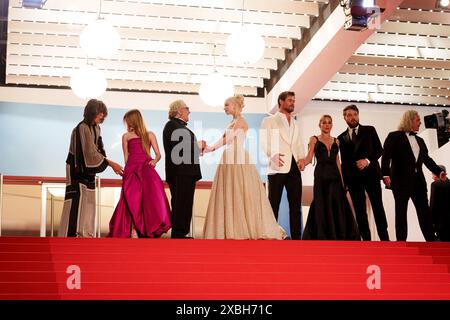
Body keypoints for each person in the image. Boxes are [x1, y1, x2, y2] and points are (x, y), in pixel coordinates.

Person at [202, 95, 286, 240]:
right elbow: (223, 138)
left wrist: (210, 149)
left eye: (226, 105)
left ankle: (241, 228)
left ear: (234, 106)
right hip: (230, 156)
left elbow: (227, 139)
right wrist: (208, 148)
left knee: (240, 191)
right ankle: (231, 227)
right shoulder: (233, 121)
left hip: (237, 157)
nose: (224, 107)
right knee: (231, 191)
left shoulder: (241, 121)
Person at [59, 99, 123, 237]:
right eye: (100, 113)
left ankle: (86, 232)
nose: (102, 116)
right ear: (92, 112)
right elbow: (88, 153)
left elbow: (97, 150)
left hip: (88, 169)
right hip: (77, 167)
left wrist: (107, 162)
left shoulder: (96, 128)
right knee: (77, 199)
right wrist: (110, 164)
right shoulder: (81, 128)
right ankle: (73, 233)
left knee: (89, 200)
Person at [381, 110, 447, 241]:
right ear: (410, 120)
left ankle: (431, 240)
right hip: (400, 182)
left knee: (424, 212)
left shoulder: (420, 140)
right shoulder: (394, 136)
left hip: (418, 182)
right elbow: (386, 156)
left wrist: (439, 171)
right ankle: (401, 242)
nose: (420, 123)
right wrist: (385, 175)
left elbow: (426, 159)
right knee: (401, 212)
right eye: (418, 120)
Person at [109, 109, 171, 238]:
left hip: (146, 169)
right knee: (131, 198)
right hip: (132, 170)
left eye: (128, 121)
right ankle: (133, 229)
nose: (127, 124)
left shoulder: (149, 134)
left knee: (150, 199)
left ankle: (145, 229)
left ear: (133, 120)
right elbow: (126, 157)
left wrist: (154, 161)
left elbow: (158, 154)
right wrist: (126, 171)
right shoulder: (126, 136)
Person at [301, 115, 360, 240]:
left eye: (329, 123)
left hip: (335, 177)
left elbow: (338, 162)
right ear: (320, 125)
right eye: (324, 123)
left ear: (332, 125)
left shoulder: (336, 141)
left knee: (336, 204)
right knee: (321, 203)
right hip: (321, 175)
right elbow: (309, 158)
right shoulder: (314, 139)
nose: (327, 125)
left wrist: (343, 182)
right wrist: (301, 163)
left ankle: (338, 235)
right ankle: (322, 234)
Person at [337, 105, 389, 241]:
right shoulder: (340, 138)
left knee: (378, 207)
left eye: (354, 114)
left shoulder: (369, 130)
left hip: (371, 175)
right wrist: (345, 183)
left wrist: (367, 160)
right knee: (360, 211)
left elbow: (379, 150)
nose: (352, 117)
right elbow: (344, 162)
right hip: (353, 180)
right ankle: (366, 240)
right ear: (344, 118)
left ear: (358, 115)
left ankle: (385, 238)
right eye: (349, 115)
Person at [260, 91, 305, 240]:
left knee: (296, 206)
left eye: (294, 100)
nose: (293, 103)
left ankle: (297, 238)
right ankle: (272, 235)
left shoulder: (296, 123)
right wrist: (271, 155)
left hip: (294, 167)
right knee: (273, 204)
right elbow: (264, 141)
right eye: (290, 100)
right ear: (281, 101)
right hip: (277, 165)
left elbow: (298, 143)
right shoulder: (269, 120)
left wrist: (301, 158)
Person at [163, 100, 205, 239]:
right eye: (187, 108)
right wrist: (197, 145)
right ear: (179, 111)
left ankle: (181, 232)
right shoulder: (171, 125)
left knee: (185, 203)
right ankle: (179, 233)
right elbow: (179, 147)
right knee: (181, 202)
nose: (189, 111)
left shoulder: (177, 126)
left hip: (185, 172)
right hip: (180, 172)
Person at [430, 165, 450, 241]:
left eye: (433, 174)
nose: (432, 177)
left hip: (440, 222)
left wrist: (431, 221)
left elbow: (433, 204)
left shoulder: (435, 185)